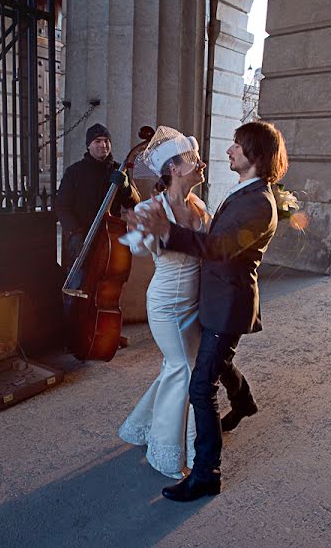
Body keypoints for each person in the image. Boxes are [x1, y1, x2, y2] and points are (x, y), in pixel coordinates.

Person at [133, 120, 288, 501]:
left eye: (236, 146)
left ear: (254, 154)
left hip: (226, 304)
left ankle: (207, 474)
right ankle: (244, 402)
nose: (227, 151)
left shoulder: (256, 203)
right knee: (212, 364)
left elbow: (218, 247)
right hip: (205, 299)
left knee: (201, 386)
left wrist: (167, 232)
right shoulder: (247, 192)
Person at [117, 128, 207, 479]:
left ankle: (141, 426)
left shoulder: (199, 204)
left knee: (180, 368)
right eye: (192, 159)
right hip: (167, 303)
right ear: (174, 168)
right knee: (182, 369)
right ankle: (166, 454)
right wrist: (141, 229)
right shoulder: (150, 207)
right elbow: (137, 246)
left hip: (193, 303)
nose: (200, 163)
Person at [54, 123, 141, 269]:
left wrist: (126, 187)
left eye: (106, 141)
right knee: (79, 282)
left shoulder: (119, 170)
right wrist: (74, 232)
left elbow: (136, 204)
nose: (103, 145)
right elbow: (62, 206)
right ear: (88, 145)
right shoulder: (74, 172)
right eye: (97, 141)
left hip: (110, 241)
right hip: (82, 240)